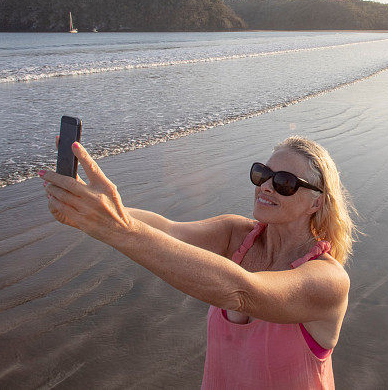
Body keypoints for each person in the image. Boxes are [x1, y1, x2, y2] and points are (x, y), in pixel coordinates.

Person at [41, 135, 355, 389]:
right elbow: (168, 230)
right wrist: (91, 207)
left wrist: (119, 229)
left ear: (318, 202)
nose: (267, 186)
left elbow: (242, 292)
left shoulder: (329, 281)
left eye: (285, 182)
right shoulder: (236, 234)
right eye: (263, 174)